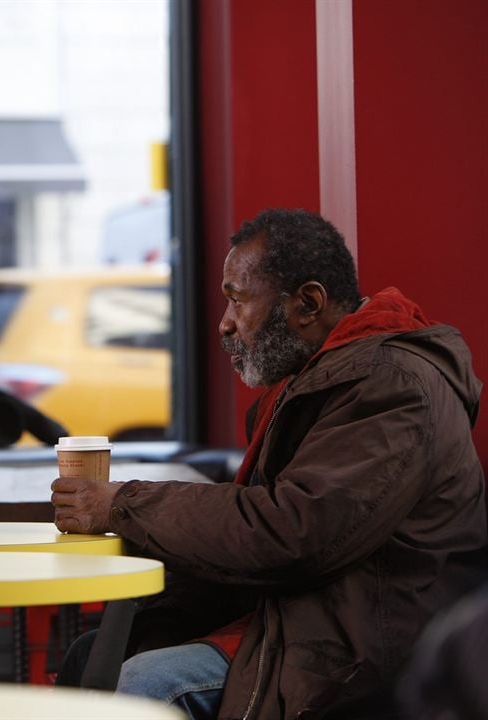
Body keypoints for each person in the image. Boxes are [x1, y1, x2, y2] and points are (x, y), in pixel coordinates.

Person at [51, 208, 486, 718]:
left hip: (360, 647)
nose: (225, 322)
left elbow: (293, 531)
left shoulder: (392, 386)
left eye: (237, 299)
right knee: (93, 655)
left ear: (308, 303)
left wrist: (123, 505)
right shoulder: (327, 375)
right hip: (300, 617)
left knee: (147, 682)